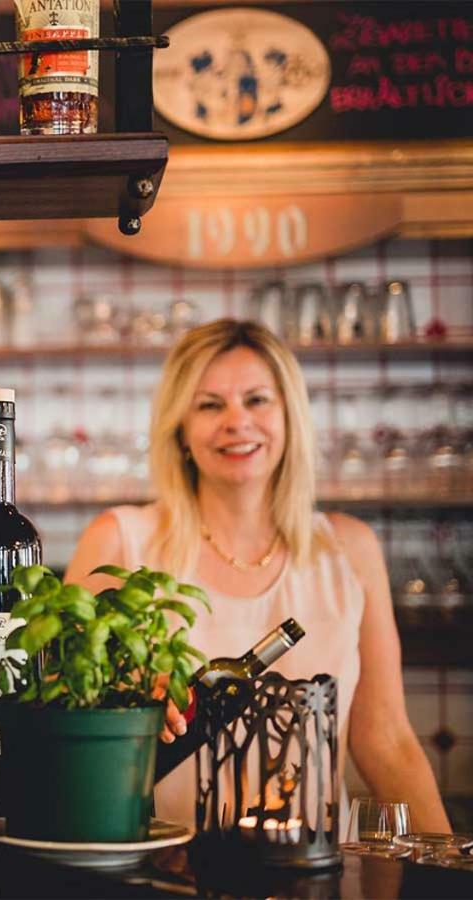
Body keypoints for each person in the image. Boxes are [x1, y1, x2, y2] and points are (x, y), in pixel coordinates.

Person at [65, 318, 450, 833]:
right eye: (209, 404)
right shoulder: (118, 541)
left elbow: (386, 739)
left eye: (257, 400)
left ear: (290, 416)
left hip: (319, 875)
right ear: (179, 427)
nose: (236, 421)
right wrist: (127, 706)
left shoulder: (350, 550)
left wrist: (446, 872)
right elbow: (62, 721)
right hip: (167, 871)